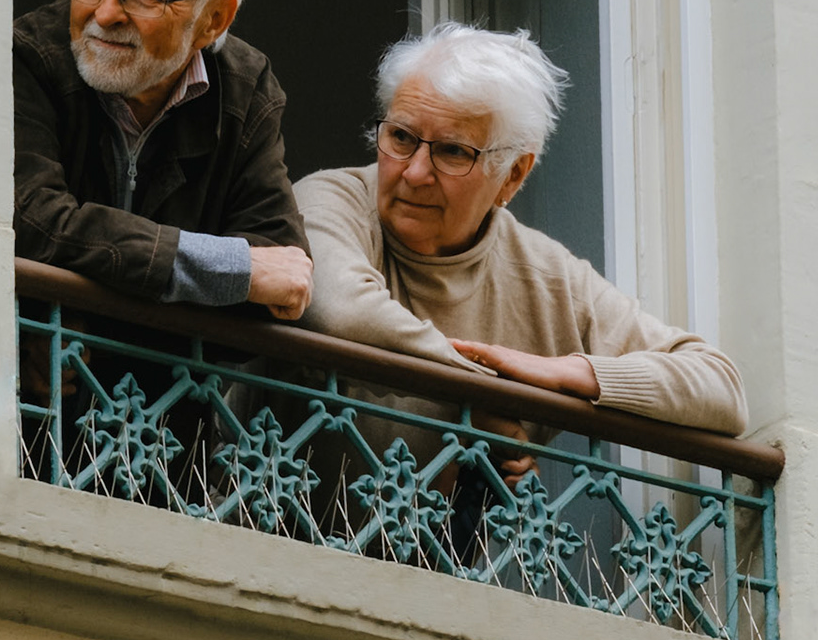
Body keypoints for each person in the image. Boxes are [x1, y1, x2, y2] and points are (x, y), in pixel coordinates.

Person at [294, 23, 745, 439]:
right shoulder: (331, 201)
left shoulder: (546, 277)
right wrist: (490, 394)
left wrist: (566, 372)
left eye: (452, 151)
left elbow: (721, 388)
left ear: (512, 176)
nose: (414, 172)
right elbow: (341, 315)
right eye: (401, 137)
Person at [14, 0, 311, 318]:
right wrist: (229, 270)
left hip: (170, 367)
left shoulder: (246, 89)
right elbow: (31, 222)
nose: (105, 13)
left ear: (213, 20)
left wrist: (145, 265)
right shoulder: (31, 56)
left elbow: (279, 276)